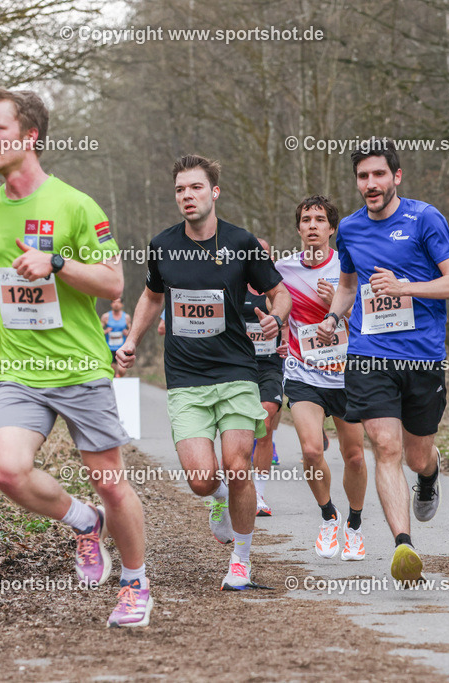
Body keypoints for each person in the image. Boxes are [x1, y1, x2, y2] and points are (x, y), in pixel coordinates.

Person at [0, 86, 151, 627]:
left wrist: (57, 262)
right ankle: (82, 522)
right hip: (20, 368)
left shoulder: (75, 205)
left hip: (78, 367)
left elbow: (114, 279)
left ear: (31, 137)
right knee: (6, 470)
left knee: (112, 484)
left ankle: (135, 584)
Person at [117, 154, 290, 590]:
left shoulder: (241, 242)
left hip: (236, 372)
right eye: (180, 190)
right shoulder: (162, 245)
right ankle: (217, 503)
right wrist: (132, 340)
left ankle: (241, 561)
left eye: (195, 188)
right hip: (186, 379)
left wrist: (277, 317)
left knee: (237, 468)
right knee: (201, 480)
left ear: (213, 192)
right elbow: (152, 297)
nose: (187, 196)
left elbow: (279, 291)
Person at [317, 139, 449, 585]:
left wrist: (406, 287)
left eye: (379, 174)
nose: (370, 184)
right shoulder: (349, 229)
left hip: (421, 356)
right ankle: (404, 545)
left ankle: (430, 474)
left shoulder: (425, 219)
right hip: (368, 354)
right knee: (385, 446)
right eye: (363, 176)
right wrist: (332, 316)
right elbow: (347, 285)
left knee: (417, 455)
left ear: (396, 176)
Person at [277, 195, 368, 561]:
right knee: (312, 450)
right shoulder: (283, 269)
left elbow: (372, 319)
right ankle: (329, 517)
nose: (312, 225)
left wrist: (342, 305)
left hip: (346, 376)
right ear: (298, 228)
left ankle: (355, 526)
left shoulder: (348, 270)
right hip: (304, 373)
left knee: (356, 457)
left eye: (319, 219)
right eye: (305, 219)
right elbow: (264, 298)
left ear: (332, 229)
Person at [242, 239, 283, 517]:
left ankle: (258, 494)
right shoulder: (233, 285)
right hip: (239, 365)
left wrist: (288, 343)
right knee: (239, 430)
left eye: (264, 254)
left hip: (270, 364)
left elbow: (294, 319)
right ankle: (236, 488)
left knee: (266, 421)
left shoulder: (277, 291)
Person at [102, 297, 131, 377]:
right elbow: (98, 331)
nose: (116, 304)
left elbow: (131, 331)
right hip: (110, 348)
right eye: (114, 302)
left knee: (122, 370)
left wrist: (127, 333)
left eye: (118, 302)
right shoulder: (106, 316)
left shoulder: (126, 317)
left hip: (122, 347)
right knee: (112, 370)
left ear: (121, 304)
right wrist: (106, 331)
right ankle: (116, 381)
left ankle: (119, 377)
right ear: (111, 304)